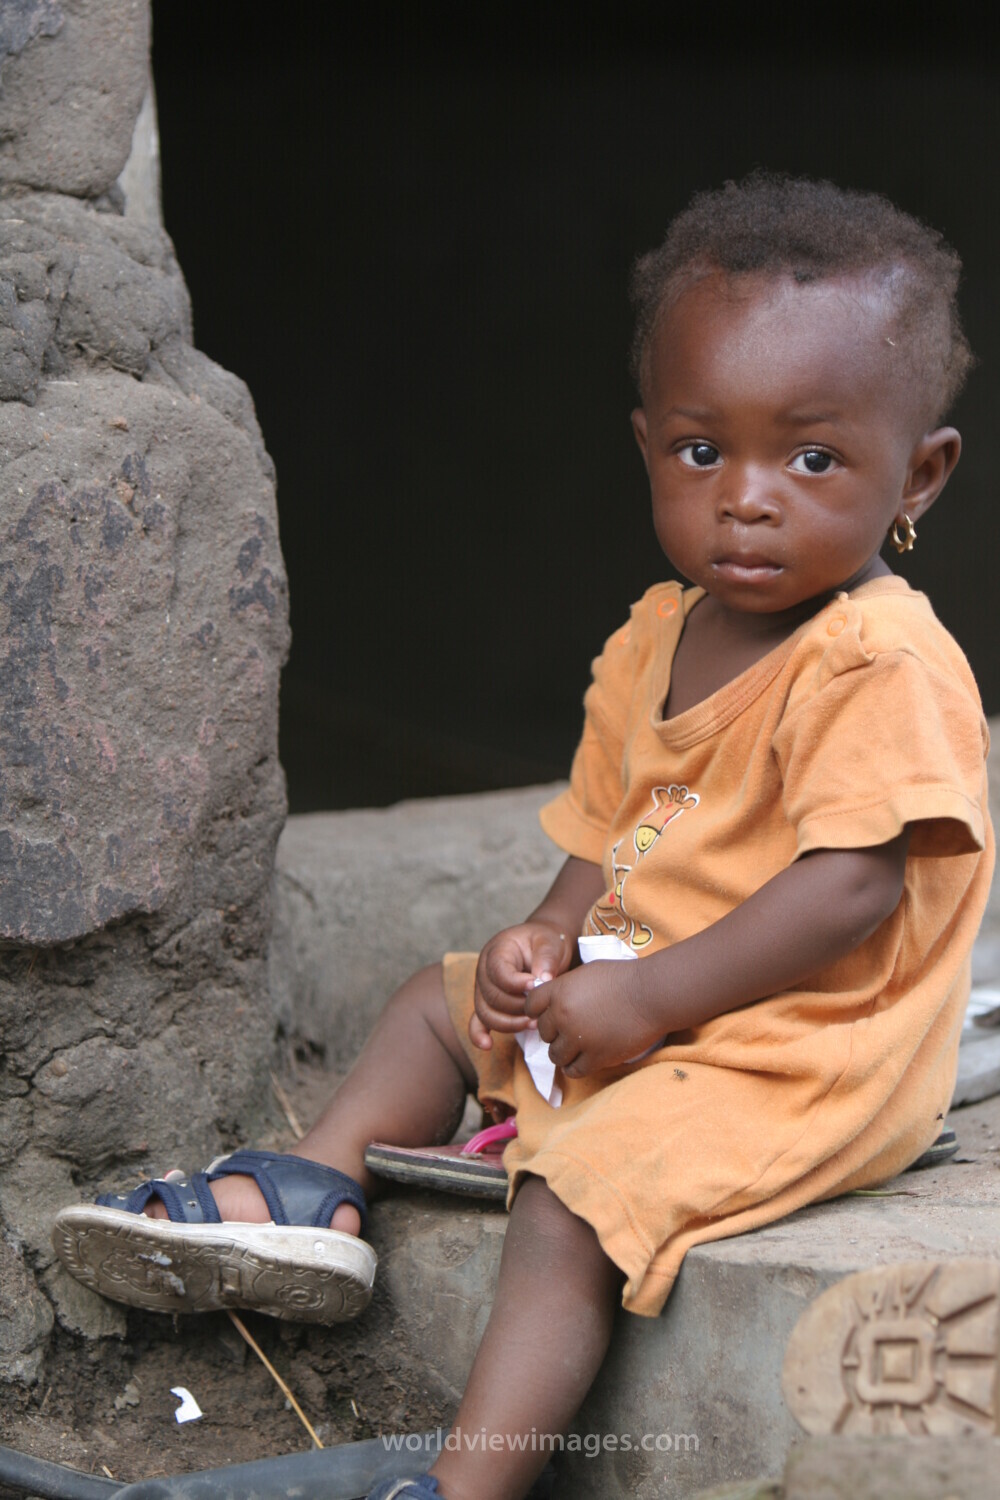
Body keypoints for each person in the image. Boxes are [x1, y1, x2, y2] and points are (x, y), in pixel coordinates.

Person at [54, 173, 993, 1500]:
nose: (748, 497)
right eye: (701, 450)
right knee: (436, 1006)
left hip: (801, 1049)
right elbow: (619, 839)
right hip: (642, 1000)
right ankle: (318, 1196)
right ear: (646, 445)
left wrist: (655, 996)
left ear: (923, 473)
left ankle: (464, 1487)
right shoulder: (655, 641)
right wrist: (551, 940)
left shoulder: (881, 662)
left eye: (815, 457)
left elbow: (849, 893)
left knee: (573, 1198)